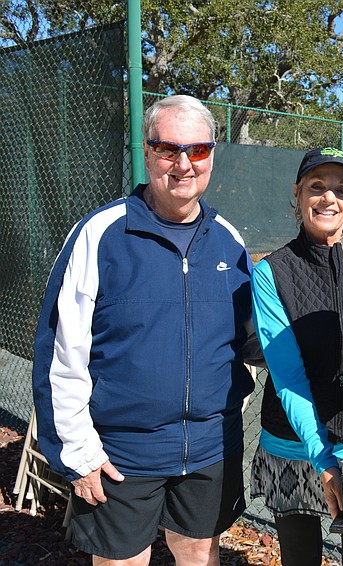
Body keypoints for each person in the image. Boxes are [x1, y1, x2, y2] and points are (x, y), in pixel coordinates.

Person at [31, 94, 256, 564]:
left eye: (197, 150)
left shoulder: (230, 240)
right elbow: (60, 351)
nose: (183, 164)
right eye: (167, 148)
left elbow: (247, 341)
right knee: (123, 560)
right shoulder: (99, 234)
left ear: (212, 154)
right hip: (121, 452)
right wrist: (78, 450)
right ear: (147, 151)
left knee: (198, 550)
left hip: (211, 446)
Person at [250, 147, 343, 565]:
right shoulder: (271, 271)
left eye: (341, 190)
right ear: (298, 194)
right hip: (292, 444)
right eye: (317, 187)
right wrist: (323, 459)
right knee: (299, 557)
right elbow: (288, 376)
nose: (329, 198)